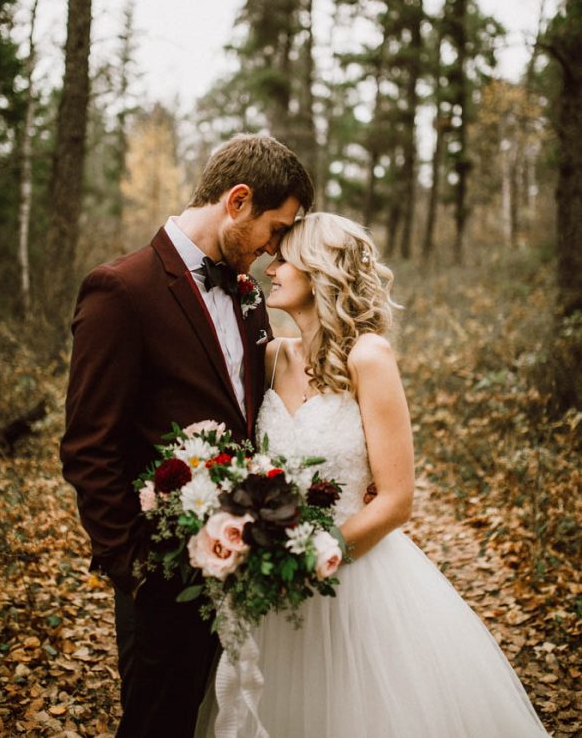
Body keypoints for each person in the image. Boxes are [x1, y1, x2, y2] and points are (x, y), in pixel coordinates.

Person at [197, 211, 548, 738]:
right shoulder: (270, 358)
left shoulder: (370, 357)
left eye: (286, 257)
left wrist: (318, 554)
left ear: (320, 270)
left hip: (355, 578)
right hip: (273, 590)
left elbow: (396, 499)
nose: (272, 267)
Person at [60, 134, 314, 738]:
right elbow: (88, 446)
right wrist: (135, 569)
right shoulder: (119, 290)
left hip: (243, 570)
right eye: (274, 230)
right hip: (163, 580)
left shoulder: (250, 296)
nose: (274, 249)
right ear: (238, 201)